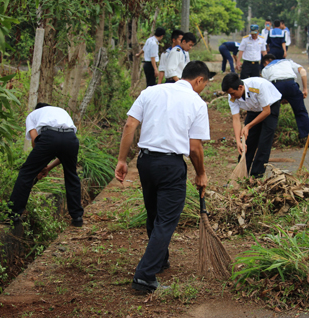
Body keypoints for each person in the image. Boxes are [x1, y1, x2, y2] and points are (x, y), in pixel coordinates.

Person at [115, 61, 210, 293]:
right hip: (170, 165)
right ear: (199, 80)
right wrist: (201, 173)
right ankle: (144, 278)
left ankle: (160, 260)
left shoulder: (151, 91)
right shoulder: (196, 102)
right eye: (205, 84)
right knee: (166, 221)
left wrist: (122, 160)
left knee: (155, 213)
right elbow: (195, 148)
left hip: (145, 161)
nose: (204, 88)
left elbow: (130, 125)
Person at [8, 103, 84, 227]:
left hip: (50, 137)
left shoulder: (33, 115)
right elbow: (63, 154)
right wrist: (47, 167)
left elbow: (35, 139)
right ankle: (77, 217)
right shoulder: (61, 110)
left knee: (26, 173)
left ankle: (13, 214)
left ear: (38, 109)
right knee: (71, 176)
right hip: (71, 138)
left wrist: (40, 165)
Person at [222, 73, 282, 178]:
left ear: (240, 87)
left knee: (264, 143)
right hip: (253, 110)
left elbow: (266, 111)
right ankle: (240, 176)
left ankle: (256, 177)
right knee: (248, 143)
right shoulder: (232, 95)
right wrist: (238, 142)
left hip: (270, 108)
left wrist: (248, 126)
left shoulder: (257, 86)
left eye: (233, 93)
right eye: (229, 94)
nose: (232, 96)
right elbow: (236, 119)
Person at [261, 54, 309, 148]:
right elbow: (303, 71)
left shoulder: (265, 69)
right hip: (291, 84)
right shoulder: (287, 62)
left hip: (276, 85)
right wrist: (305, 89)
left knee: (272, 114)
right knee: (301, 112)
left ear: (266, 62)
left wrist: (279, 98)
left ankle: (267, 142)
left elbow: (267, 86)